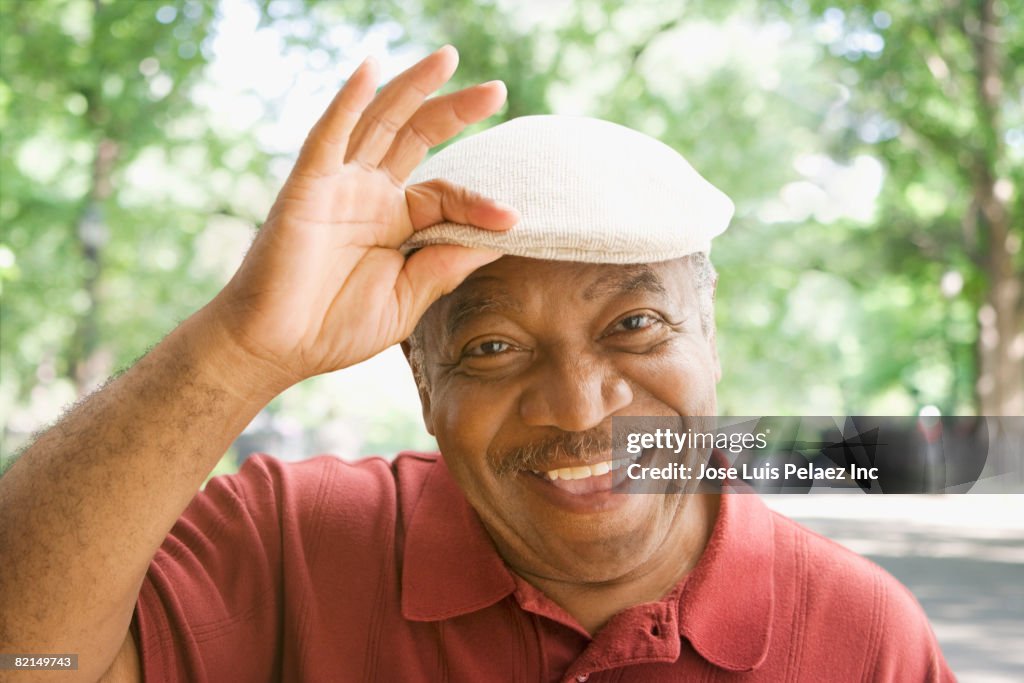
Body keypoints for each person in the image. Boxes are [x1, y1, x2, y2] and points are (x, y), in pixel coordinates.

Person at [0, 46, 953, 682]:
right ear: (423, 382)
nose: (576, 406)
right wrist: (236, 350)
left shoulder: (865, 637)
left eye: (634, 325)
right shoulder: (293, 543)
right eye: (493, 347)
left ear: (708, 337)